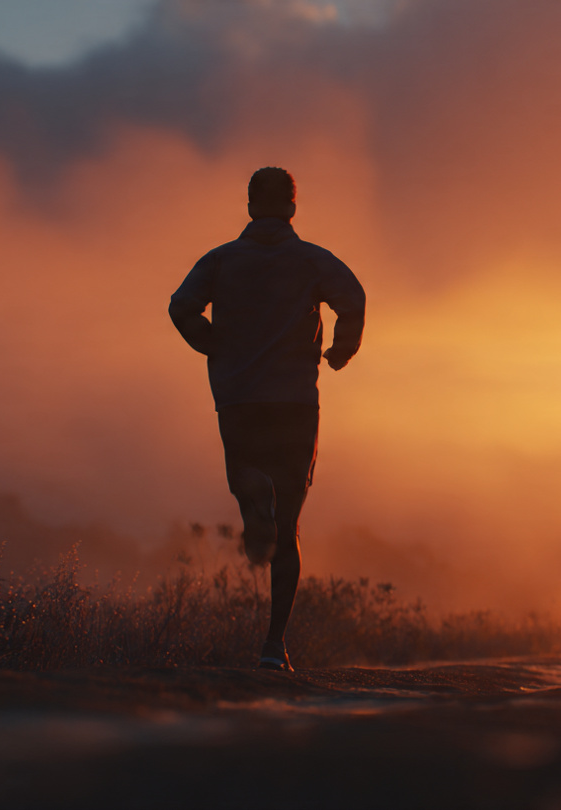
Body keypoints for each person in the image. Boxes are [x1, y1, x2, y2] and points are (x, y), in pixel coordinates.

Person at [169, 167, 365, 672]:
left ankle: (250, 487)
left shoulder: (221, 260)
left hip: (238, 396)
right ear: (293, 207)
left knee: (244, 478)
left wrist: (208, 341)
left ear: (252, 205)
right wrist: (343, 347)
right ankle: (273, 646)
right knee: (288, 524)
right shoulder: (313, 260)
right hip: (295, 401)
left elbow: (181, 306)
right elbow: (353, 298)